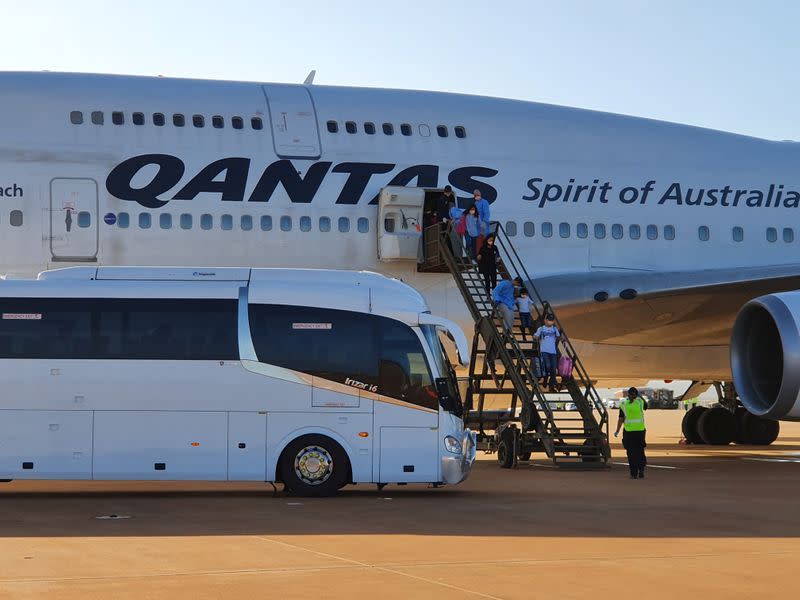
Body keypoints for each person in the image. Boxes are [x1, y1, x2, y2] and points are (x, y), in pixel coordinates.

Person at [614, 386, 648, 479]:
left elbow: (621, 419)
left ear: (628, 394)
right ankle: (641, 470)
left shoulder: (624, 404)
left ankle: (634, 473)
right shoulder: (640, 402)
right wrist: (640, 397)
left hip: (629, 432)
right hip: (640, 431)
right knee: (640, 451)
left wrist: (617, 431)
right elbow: (646, 406)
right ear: (636, 395)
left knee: (631, 453)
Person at [534, 314, 560, 391]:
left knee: (553, 369)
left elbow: (558, 336)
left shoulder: (555, 329)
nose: (550, 322)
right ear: (545, 320)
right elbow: (535, 335)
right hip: (544, 351)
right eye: (548, 320)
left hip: (553, 352)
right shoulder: (541, 329)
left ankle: (551, 385)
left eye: (551, 320)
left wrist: (562, 339)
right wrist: (536, 337)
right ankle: (545, 379)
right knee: (548, 366)